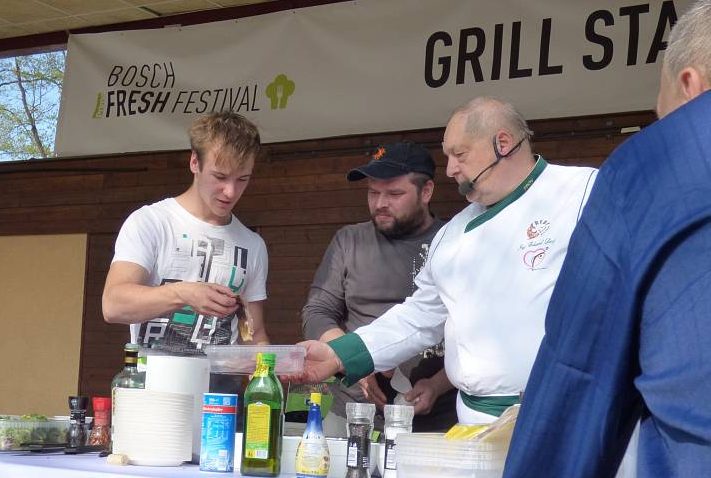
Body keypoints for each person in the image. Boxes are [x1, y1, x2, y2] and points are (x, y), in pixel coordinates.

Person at [453, 2, 711, 478]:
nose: (452, 169)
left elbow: (575, 386)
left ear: (690, 86)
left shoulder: (641, 172)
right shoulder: (454, 231)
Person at [289, 97, 598, 425]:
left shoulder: (582, 193)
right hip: (476, 419)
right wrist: (341, 355)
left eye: (459, 155)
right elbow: (419, 317)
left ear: (503, 144)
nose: (450, 169)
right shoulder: (454, 235)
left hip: (566, 413)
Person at [301, 142, 457, 436]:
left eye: (395, 193)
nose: (380, 203)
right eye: (373, 192)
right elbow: (317, 312)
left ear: (426, 192)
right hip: (353, 413)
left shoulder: (453, 242)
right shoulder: (350, 240)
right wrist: (353, 360)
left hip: (438, 419)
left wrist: (436, 385)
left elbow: (476, 332)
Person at [102, 111, 270, 366]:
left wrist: (276, 372)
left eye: (243, 179)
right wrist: (183, 293)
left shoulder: (253, 244)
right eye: (220, 177)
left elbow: (253, 335)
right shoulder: (151, 222)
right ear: (194, 163)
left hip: (220, 399)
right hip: (154, 392)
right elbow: (113, 305)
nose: (231, 191)